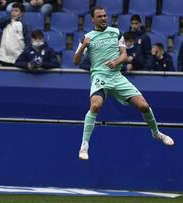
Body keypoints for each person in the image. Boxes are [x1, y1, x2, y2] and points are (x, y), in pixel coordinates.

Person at [73, 6, 174, 160]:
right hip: (100, 77)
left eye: (105, 16)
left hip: (117, 76)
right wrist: (84, 46)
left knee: (144, 106)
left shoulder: (116, 32)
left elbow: (124, 55)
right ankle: (84, 145)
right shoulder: (87, 37)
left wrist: (115, 62)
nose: (103, 18)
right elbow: (76, 60)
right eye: (99, 16)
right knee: (95, 105)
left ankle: (156, 133)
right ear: (93, 19)